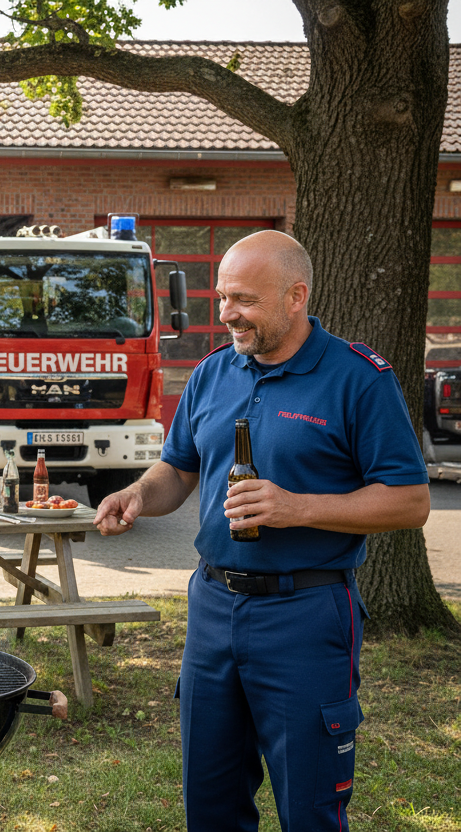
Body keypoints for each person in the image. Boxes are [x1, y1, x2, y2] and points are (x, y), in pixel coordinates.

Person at [93, 230, 430, 831]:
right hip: (213, 607)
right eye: (223, 298)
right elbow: (179, 468)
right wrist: (139, 494)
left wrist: (296, 508)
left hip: (307, 613)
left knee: (310, 807)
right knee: (211, 802)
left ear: (296, 296)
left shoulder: (358, 378)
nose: (227, 314)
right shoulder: (211, 373)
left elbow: (409, 501)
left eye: (245, 300)